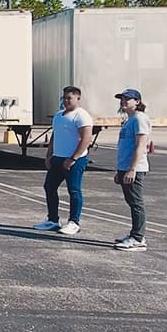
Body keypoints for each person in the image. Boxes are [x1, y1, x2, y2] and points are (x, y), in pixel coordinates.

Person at [34, 85, 93, 234]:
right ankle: (53, 220)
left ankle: (74, 222)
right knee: (49, 187)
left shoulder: (81, 115)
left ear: (78, 99)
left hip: (74, 160)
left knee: (74, 190)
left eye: (69, 98)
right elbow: (55, 135)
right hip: (57, 159)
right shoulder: (59, 115)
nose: (66, 101)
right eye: (64, 98)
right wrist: (49, 155)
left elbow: (86, 139)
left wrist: (73, 158)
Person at [113, 89, 151, 252]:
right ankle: (135, 234)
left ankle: (138, 238)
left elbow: (140, 146)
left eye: (127, 99)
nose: (123, 101)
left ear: (137, 101)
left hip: (134, 168)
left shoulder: (140, 119)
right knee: (131, 202)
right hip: (125, 167)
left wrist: (132, 169)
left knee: (136, 203)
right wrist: (120, 170)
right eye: (122, 99)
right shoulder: (130, 120)